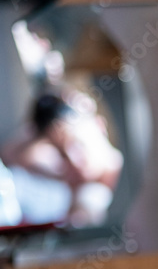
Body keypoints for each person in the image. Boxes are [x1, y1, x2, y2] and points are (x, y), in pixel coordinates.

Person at [2, 92, 123, 226]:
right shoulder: (64, 172)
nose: (73, 163)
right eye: (62, 155)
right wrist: (40, 130)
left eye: (78, 146)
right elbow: (10, 155)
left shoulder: (97, 191)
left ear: (99, 125)